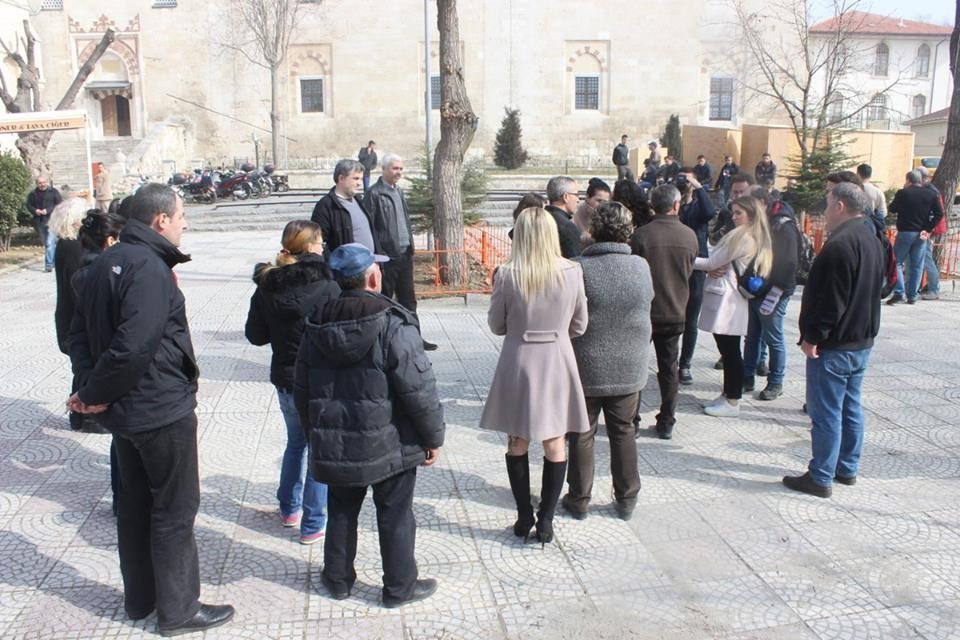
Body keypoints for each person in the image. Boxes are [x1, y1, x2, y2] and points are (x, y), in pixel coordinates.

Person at [68, 183, 235, 636]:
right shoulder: (147, 268)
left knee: (137, 507)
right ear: (161, 220)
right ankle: (179, 611)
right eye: (181, 217)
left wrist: (89, 390)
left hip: (126, 408)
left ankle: (140, 599)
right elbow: (132, 346)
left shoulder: (102, 263)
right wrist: (95, 393)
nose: (184, 224)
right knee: (174, 510)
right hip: (157, 408)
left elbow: (77, 338)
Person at [295, 243, 445, 607]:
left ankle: (338, 579)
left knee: (342, 509)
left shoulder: (316, 323)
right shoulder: (392, 322)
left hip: (337, 441)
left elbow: (301, 388)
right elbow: (417, 387)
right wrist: (433, 436)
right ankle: (399, 588)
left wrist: (314, 435)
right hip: (390, 442)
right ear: (372, 277)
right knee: (395, 515)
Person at [480, 207, 589, 546]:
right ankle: (546, 520)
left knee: (517, 441)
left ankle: (524, 513)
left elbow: (497, 325)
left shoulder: (508, 273)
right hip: (557, 360)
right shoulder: (572, 271)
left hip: (520, 361)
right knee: (556, 442)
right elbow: (580, 325)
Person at [783, 183, 885, 498]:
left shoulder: (842, 244)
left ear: (840, 206)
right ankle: (846, 467)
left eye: (828, 204)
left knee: (826, 411)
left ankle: (821, 476)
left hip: (837, 344)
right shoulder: (872, 239)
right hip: (860, 340)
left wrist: (813, 337)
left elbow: (832, 300)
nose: (825, 212)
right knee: (850, 406)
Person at [244, 220, 340, 545]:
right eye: (320, 240)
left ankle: (289, 509)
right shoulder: (328, 284)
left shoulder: (267, 284)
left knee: (296, 442)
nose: (324, 246)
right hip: (318, 379)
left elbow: (255, 335)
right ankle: (312, 524)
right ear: (310, 246)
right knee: (317, 447)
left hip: (285, 377)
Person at [563, 202, 652, 520]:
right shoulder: (641, 267)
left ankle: (579, 498)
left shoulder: (576, 268)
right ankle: (627, 498)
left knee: (581, 434)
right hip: (630, 364)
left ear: (593, 230)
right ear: (627, 232)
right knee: (623, 431)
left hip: (585, 364)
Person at [693, 196, 773, 418]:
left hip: (729, 299)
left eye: (739, 213)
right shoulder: (748, 235)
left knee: (730, 351)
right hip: (729, 297)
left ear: (751, 214)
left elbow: (711, 262)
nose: (734, 216)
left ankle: (732, 399)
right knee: (728, 349)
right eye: (734, 212)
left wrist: (687, 260)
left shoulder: (743, 237)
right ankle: (728, 393)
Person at [631, 184, 700, 438]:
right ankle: (667, 420)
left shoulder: (640, 235)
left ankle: (632, 419)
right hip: (675, 310)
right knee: (669, 369)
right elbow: (689, 270)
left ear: (653, 205)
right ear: (676, 205)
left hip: (644, 311)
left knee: (637, 367)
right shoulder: (689, 236)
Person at [71, 209, 127, 513]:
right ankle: (124, 500)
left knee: (120, 439)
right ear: (109, 240)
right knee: (124, 439)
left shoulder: (84, 270)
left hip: (98, 363)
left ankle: (122, 499)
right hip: (111, 365)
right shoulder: (104, 273)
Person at [365, 153, 438, 350]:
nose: (398, 172)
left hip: (405, 254)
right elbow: (371, 227)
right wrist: (379, 255)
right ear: (384, 169)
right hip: (388, 256)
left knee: (409, 300)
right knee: (385, 300)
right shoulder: (374, 194)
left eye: (401, 169)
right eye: (395, 168)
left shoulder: (399, 192)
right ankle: (384, 342)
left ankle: (415, 339)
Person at [742, 188, 800, 401]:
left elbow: (790, 262)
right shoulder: (763, 222)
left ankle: (776, 382)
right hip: (759, 287)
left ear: (763, 202)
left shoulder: (783, 226)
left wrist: (773, 288)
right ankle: (747, 377)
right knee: (752, 335)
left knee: (773, 337)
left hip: (776, 289)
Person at [677, 170, 717, 385]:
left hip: (697, 267)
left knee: (691, 320)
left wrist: (699, 188)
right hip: (675, 267)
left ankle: (685, 364)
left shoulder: (698, 208)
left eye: (690, 179)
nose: (687, 182)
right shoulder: (675, 204)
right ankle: (670, 360)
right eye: (685, 179)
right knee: (673, 317)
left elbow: (710, 212)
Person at [886, 170, 943, 305]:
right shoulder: (931, 194)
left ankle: (899, 291)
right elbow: (939, 213)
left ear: (908, 181)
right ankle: (912, 295)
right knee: (918, 264)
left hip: (905, 231)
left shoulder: (903, 193)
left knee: (897, 262)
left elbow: (892, 208)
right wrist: (928, 228)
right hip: (922, 233)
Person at [311, 159, 379, 254]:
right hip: (346, 268)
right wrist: (338, 265)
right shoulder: (326, 206)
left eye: (361, 179)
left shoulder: (359, 201)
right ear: (341, 179)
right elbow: (317, 243)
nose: (359, 183)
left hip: (371, 264)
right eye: (355, 178)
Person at [50, 198, 90, 355]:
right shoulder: (72, 247)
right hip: (74, 321)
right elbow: (76, 285)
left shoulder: (66, 244)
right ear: (74, 221)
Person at [918, 166, 946, 301]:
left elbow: (934, 213)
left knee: (927, 259)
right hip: (931, 228)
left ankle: (934, 289)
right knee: (925, 258)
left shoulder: (929, 191)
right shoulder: (932, 190)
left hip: (929, 229)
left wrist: (928, 229)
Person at [26, 175, 63, 272]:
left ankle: (48, 265)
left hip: (52, 220)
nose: (42, 184)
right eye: (40, 183)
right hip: (40, 221)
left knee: (50, 242)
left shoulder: (53, 192)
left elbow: (59, 204)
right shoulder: (33, 193)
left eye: (43, 182)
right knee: (47, 244)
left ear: (47, 182)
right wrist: (35, 210)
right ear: (37, 184)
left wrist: (48, 210)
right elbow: (29, 205)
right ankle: (55, 261)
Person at [544, 175, 584, 258]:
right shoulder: (567, 227)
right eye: (576, 195)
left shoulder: (534, 219)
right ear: (566, 197)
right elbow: (574, 262)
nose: (578, 200)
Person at [573, 178, 611, 246]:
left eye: (605, 202)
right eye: (599, 201)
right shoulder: (574, 215)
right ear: (587, 197)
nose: (602, 205)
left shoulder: (609, 217)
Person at [856, 163, 887, 233]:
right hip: (872, 226)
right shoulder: (878, 191)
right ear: (870, 175)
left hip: (856, 224)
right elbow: (883, 212)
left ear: (858, 174)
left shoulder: (853, 189)